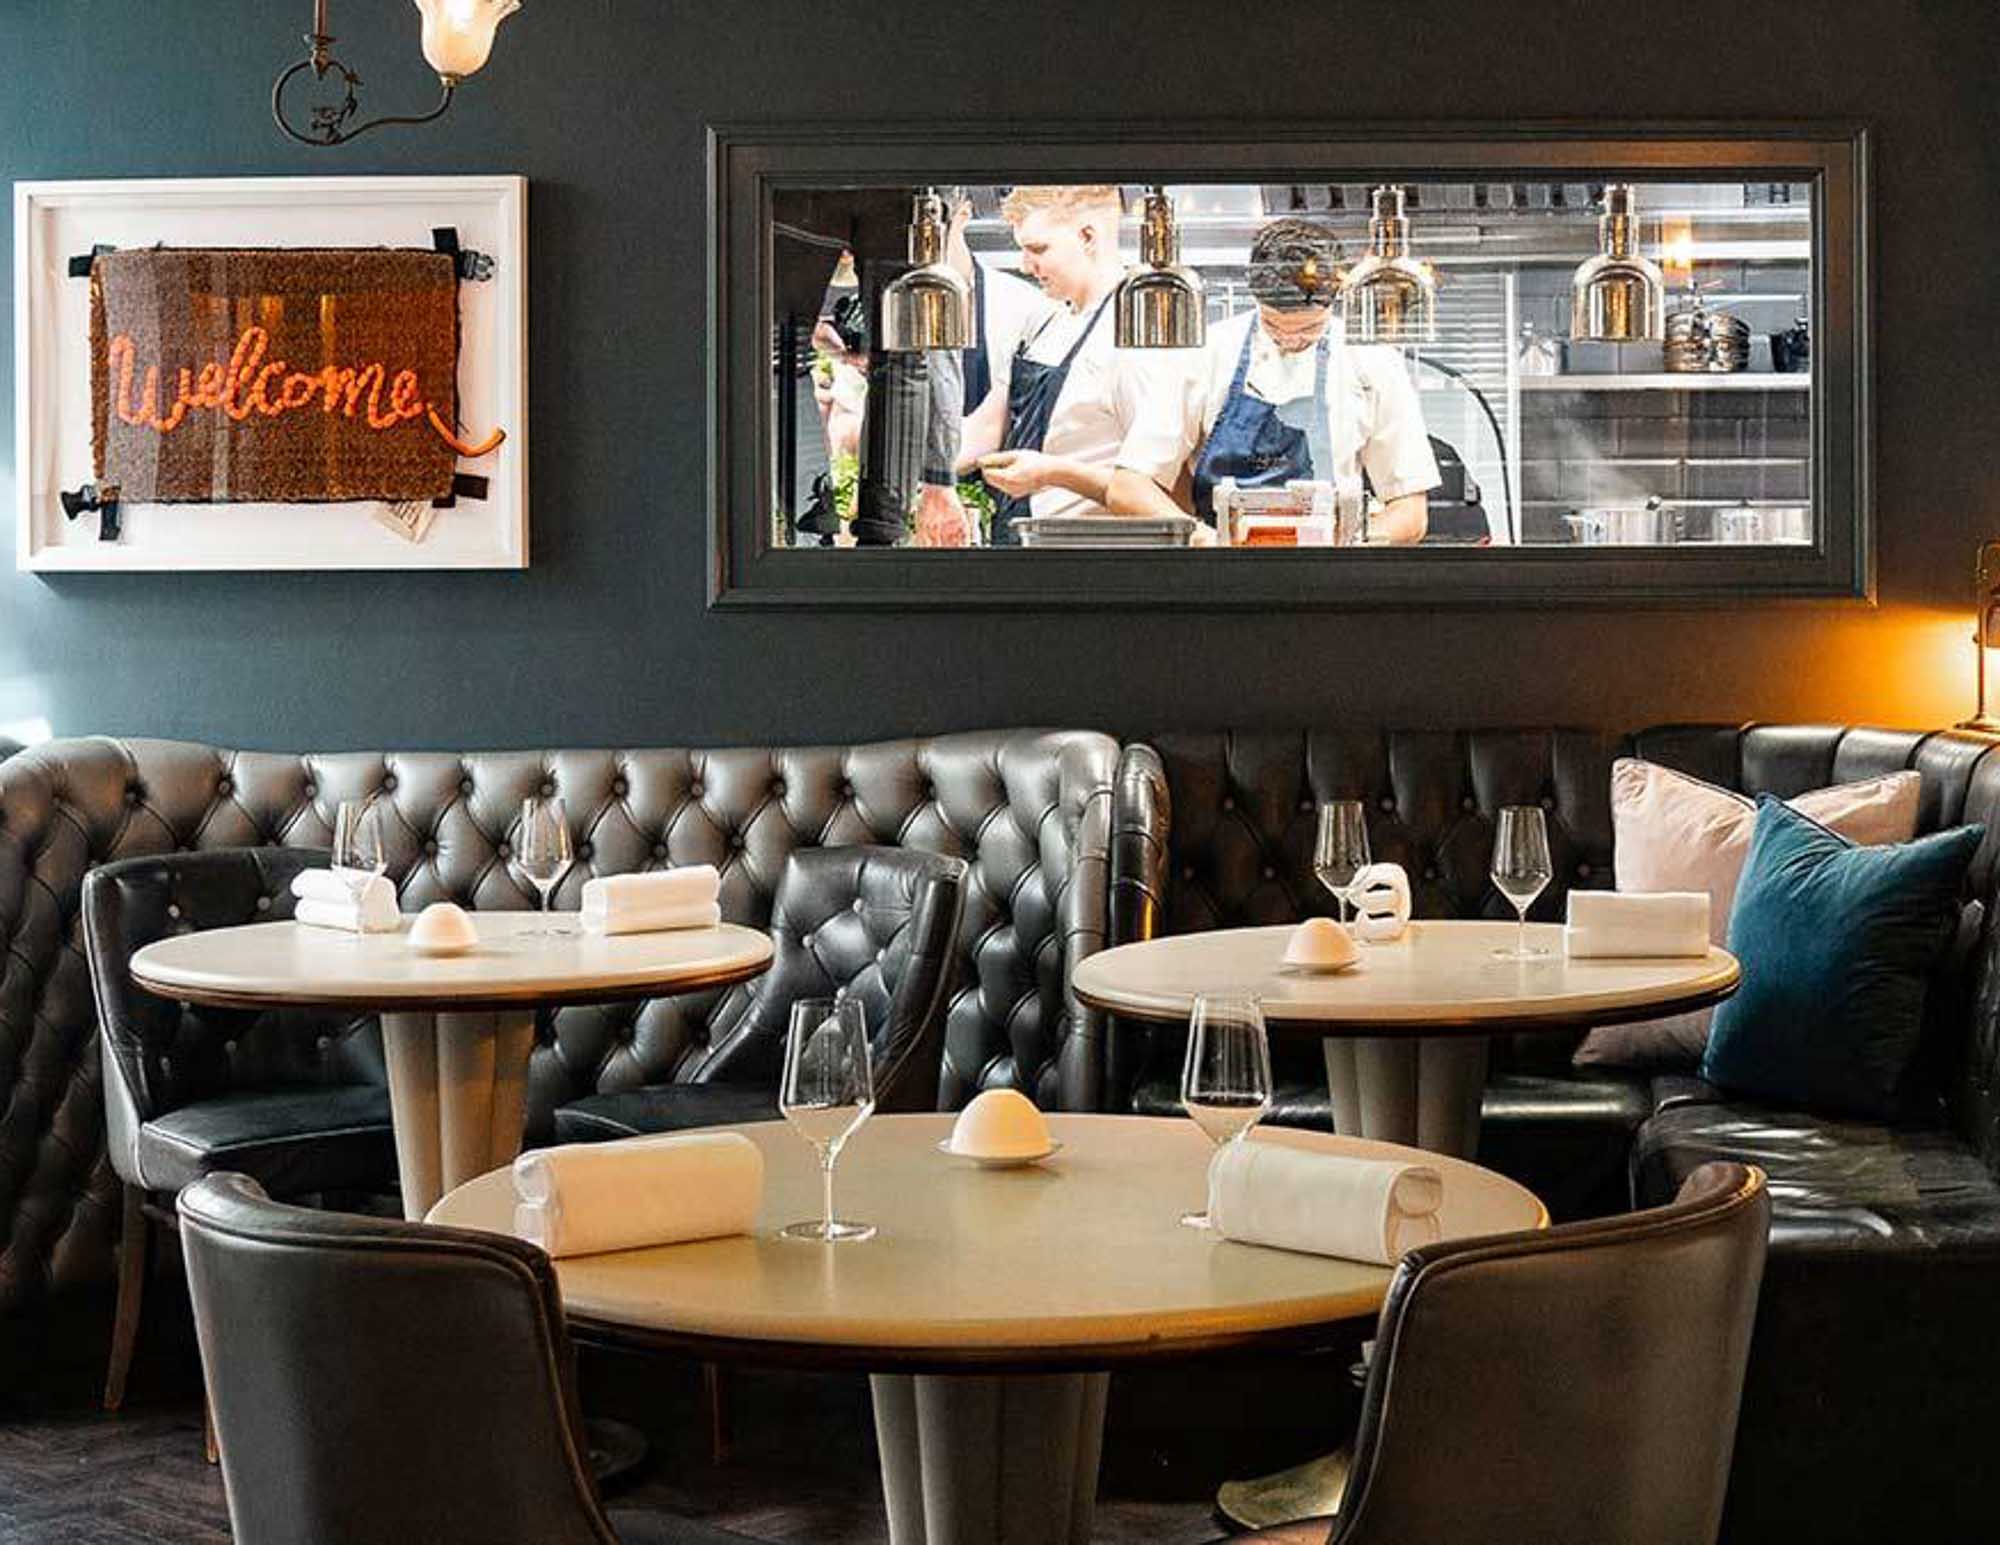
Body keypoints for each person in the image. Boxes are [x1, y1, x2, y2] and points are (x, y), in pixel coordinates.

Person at [1110, 216, 1438, 545]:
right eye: (1274, 326)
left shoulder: (1373, 361)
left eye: (1309, 329)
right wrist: (1202, 540)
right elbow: (1128, 487)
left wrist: (1352, 545)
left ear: (1335, 300)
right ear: (1256, 299)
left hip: (1330, 566)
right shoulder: (1205, 354)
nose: (1291, 340)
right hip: (1219, 563)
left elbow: (1410, 512)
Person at [956, 185, 1190, 544]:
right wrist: (924, 473)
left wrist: (1052, 472)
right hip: (1023, 544)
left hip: (1089, 552)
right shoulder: (1046, 322)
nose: (1024, 265)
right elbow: (985, 429)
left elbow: (1157, 489)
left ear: (1087, 237)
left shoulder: (1134, 337)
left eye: (1038, 249)